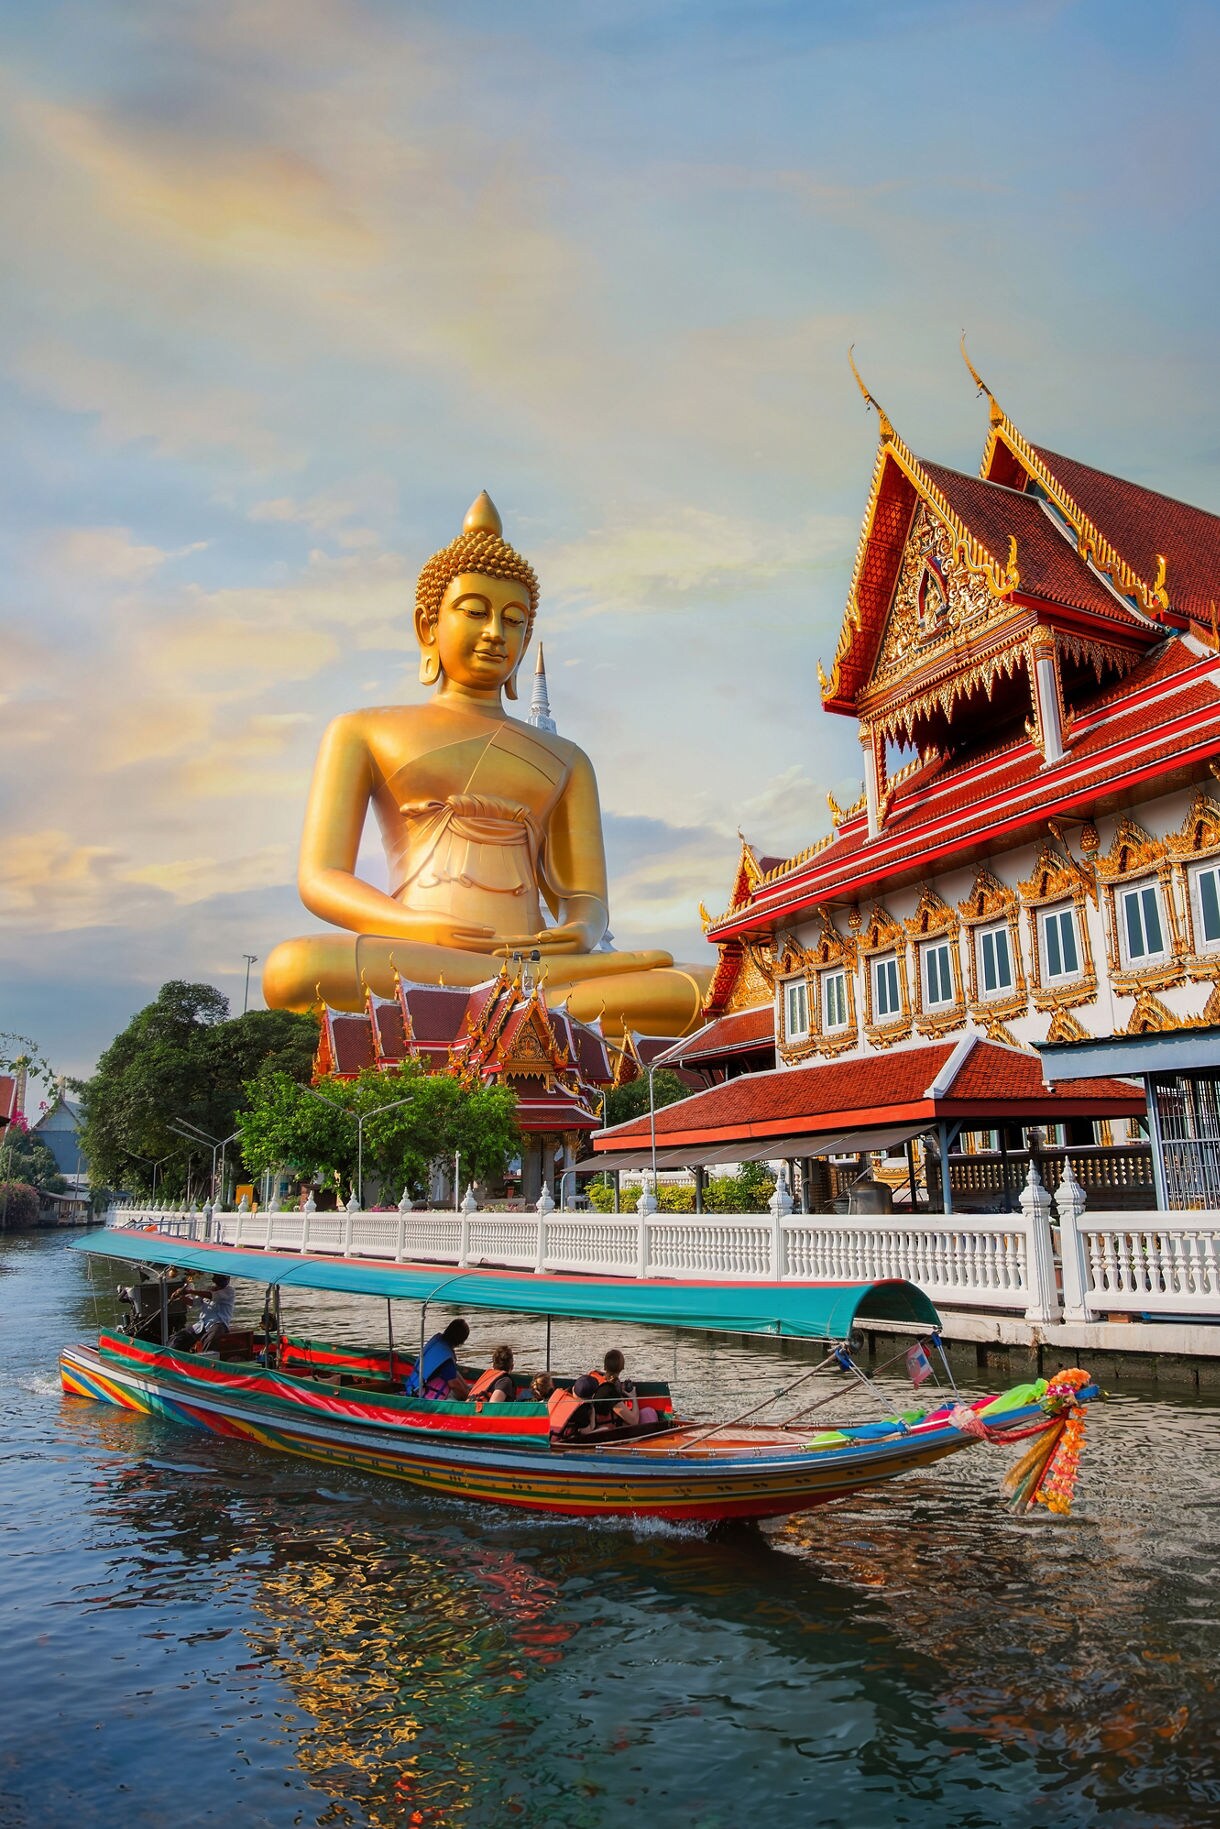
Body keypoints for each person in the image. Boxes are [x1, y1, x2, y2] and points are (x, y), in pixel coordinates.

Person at [260, 492, 709, 1040]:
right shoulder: (361, 730)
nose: (496, 632)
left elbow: (584, 899)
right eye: (475, 612)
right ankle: (510, 995)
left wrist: (580, 930)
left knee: (703, 987)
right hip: (418, 952)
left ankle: (512, 993)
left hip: (540, 967)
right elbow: (321, 877)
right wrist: (414, 926)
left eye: (514, 620)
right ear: (428, 626)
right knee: (292, 969)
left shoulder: (568, 759)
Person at [402, 1319, 471, 1399]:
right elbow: (454, 1384)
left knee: (469, 1387)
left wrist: (467, 1389)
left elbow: (454, 1374)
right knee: (456, 1397)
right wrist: (469, 1399)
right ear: (461, 1341)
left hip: (413, 1388)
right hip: (423, 1397)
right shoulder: (445, 1357)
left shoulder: (439, 1344)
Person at [171, 1275, 234, 1352]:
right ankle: (173, 1355)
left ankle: (207, 1359)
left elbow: (211, 1296)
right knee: (179, 1337)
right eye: (221, 1278)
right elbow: (193, 1303)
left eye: (225, 1279)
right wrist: (180, 1296)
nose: (224, 1280)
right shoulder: (209, 1289)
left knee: (211, 1339)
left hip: (219, 1324)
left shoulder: (229, 1291)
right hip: (202, 1324)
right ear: (214, 1279)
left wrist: (189, 1291)